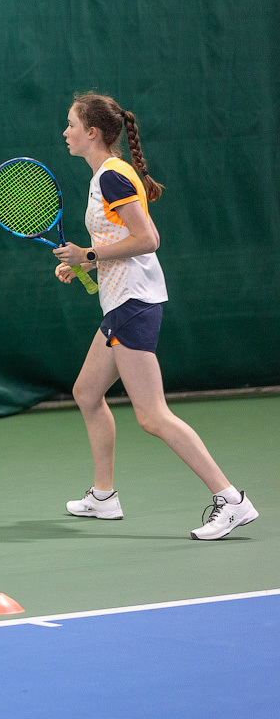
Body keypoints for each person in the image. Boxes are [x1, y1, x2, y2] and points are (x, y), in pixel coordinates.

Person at [53, 92, 258, 541]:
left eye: (70, 125)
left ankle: (231, 500)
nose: (65, 132)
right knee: (87, 392)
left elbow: (148, 239)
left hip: (133, 304)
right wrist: (84, 263)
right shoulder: (106, 176)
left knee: (152, 416)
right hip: (120, 302)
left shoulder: (111, 177)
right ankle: (103, 496)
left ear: (92, 133)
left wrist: (88, 251)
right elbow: (118, 240)